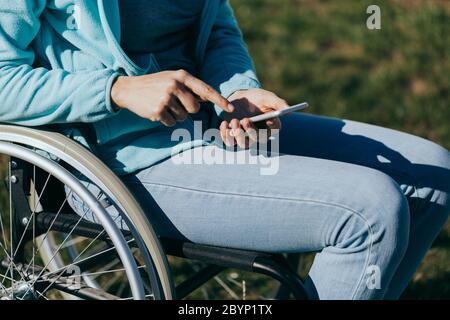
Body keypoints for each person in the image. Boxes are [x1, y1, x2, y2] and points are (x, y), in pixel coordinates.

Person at [0, 0, 449, 300]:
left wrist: (239, 93)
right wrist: (115, 90)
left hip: (209, 128)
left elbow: (215, 31)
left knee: (432, 173)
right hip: (117, 162)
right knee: (369, 213)